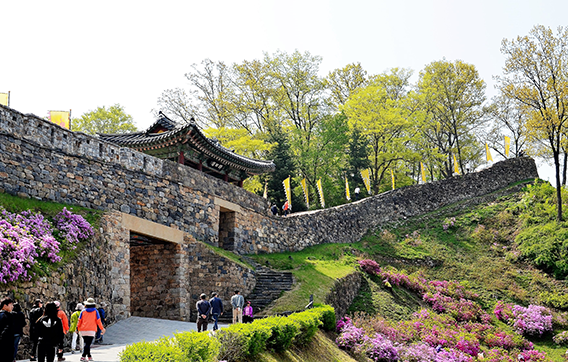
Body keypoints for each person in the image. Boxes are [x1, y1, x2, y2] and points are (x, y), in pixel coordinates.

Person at [0, 297, 14, 362]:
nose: (12, 307)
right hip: (6, 345)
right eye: (11, 305)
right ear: (5, 306)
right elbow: (6, 331)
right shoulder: (7, 316)